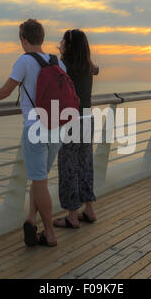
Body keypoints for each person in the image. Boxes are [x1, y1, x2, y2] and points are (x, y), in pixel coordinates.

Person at [0, 19, 67, 247]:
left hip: (35, 128)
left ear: (23, 39)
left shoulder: (24, 61)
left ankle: (50, 234)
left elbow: (5, 91)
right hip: (58, 128)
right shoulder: (58, 63)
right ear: (42, 38)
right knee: (39, 178)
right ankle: (31, 219)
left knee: (39, 180)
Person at [53, 29, 99, 229]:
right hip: (87, 118)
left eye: (62, 41)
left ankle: (72, 215)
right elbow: (97, 69)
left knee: (68, 167)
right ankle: (88, 209)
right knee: (85, 164)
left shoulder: (62, 65)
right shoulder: (89, 66)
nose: (60, 43)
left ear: (69, 45)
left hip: (70, 121)